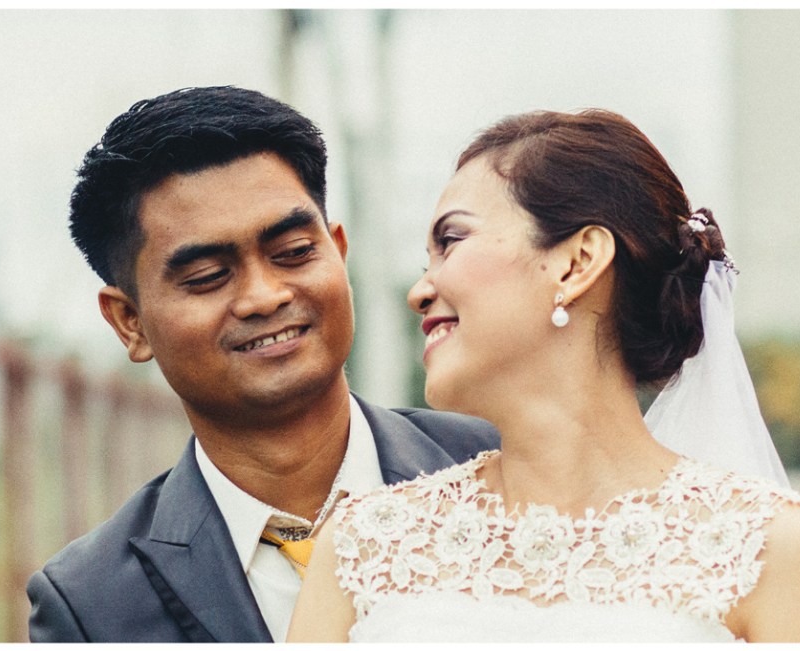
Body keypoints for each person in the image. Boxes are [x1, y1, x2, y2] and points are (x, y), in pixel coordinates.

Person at [287, 109, 800, 643]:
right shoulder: (362, 546)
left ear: (577, 262)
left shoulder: (768, 548)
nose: (419, 291)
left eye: (450, 241)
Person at [25, 86, 499, 643]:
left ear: (338, 251)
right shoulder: (91, 604)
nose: (264, 296)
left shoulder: (504, 463)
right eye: (207, 277)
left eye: (294, 252)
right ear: (130, 322)